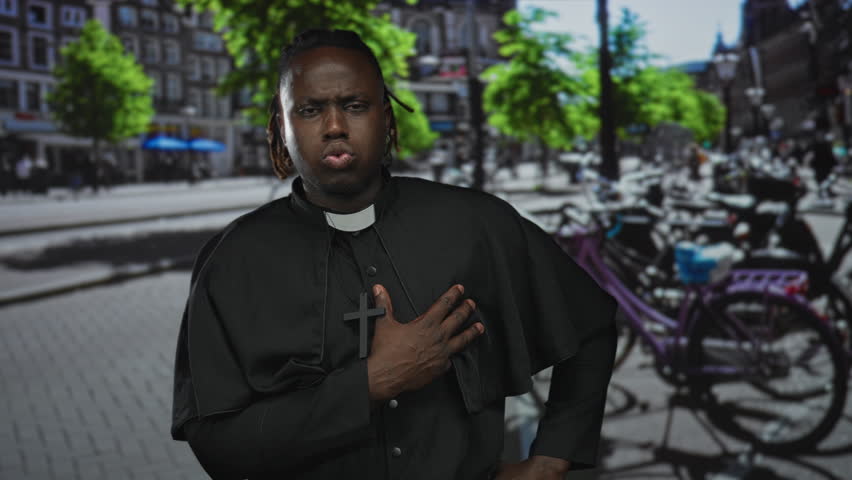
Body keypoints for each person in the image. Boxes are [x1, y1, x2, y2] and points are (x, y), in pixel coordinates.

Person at [171, 29, 617, 480]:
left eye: (354, 105)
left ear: (385, 118)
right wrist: (371, 384)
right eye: (309, 110)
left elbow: (591, 322)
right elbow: (216, 445)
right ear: (279, 127)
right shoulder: (233, 262)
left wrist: (551, 458)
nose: (334, 126)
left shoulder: (476, 223)